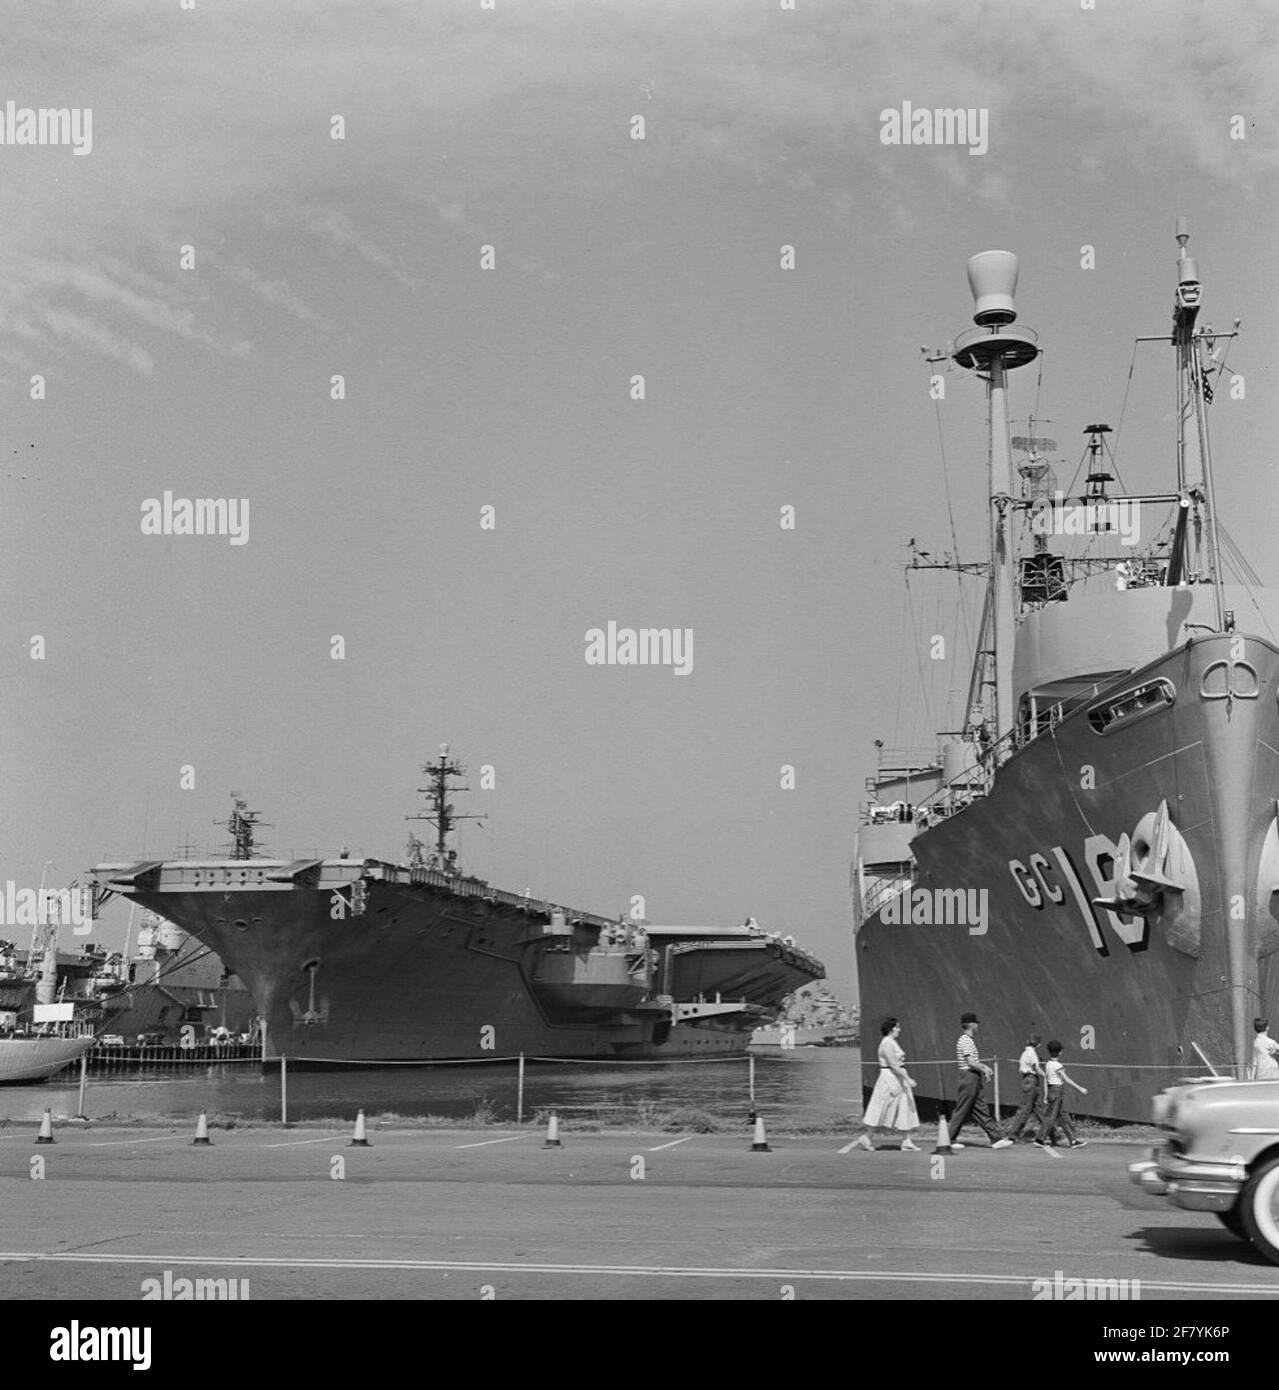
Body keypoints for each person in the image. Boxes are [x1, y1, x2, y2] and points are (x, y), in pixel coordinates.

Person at [853, 1017, 921, 1151]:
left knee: (904, 1107)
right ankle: (867, 1137)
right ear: (891, 1029)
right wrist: (908, 1078)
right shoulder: (887, 1044)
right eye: (897, 1027)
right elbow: (893, 1065)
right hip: (890, 1079)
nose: (899, 1030)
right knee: (881, 1106)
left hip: (897, 1077)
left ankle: (906, 1140)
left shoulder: (891, 1042)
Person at [948, 1012, 1013, 1149]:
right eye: (976, 1023)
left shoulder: (968, 1040)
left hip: (973, 1077)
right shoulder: (965, 1040)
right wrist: (984, 1069)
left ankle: (995, 1138)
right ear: (971, 1024)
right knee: (962, 1108)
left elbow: (974, 1061)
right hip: (969, 1077)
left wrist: (984, 1069)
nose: (978, 1026)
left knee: (980, 1108)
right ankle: (948, 1139)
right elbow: (971, 1062)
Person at [1034, 1040, 1088, 1149]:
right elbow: (1066, 1079)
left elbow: (1046, 1079)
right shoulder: (1057, 1065)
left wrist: (1045, 1095)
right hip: (1057, 1091)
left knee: (1062, 1117)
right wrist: (1080, 1088)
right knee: (1050, 1117)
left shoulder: (1048, 1064)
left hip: (1051, 1090)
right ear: (1060, 1052)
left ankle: (1072, 1140)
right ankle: (1040, 1139)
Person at [1005, 1033, 1046, 1142]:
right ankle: (1013, 1133)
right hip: (1031, 1080)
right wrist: (1046, 1075)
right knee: (1025, 1109)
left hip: (1027, 1080)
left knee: (1039, 1110)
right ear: (1038, 1044)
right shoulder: (1032, 1054)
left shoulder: (1025, 1053)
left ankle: (1052, 1132)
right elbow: (1036, 1068)